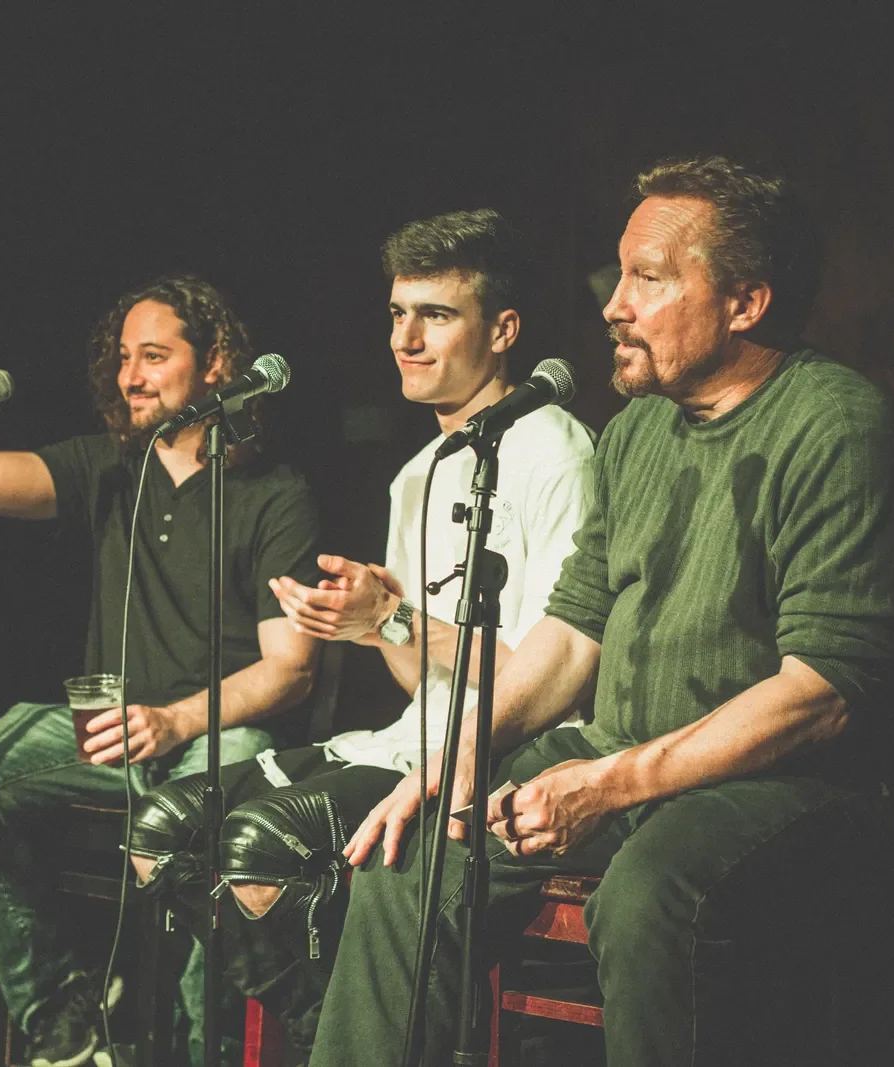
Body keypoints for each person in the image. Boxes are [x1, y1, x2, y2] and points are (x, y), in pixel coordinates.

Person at [311, 157, 894, 1067]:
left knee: (650, 892)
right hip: (629, 752)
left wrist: (611, 783)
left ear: (746, 302)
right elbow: (570, 633)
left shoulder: (837, 424)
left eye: (649, 278)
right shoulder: (637, 431)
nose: (614, 304)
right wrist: (456, 757)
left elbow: (822, 694)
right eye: (620, 275)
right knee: (413, 856)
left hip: (787, 783)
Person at [0, 275, 324, 1067]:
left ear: (215, 361)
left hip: (210, 741)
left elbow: (290, 668)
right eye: (124, 358)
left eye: (154, 355)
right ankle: (65, 1009)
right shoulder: (109, 467)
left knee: (229, 772)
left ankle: (197, 1050)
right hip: (110, 735)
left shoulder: (273, 493)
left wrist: (179, 719)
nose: (131, 375)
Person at [125, 210, 595, 1064]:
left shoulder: (554, 449)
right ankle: (327, 1029)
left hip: (508, 756)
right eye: (395, 314)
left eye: (435, 315)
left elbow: (552, 671)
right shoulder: (414, 475)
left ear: (503, 331)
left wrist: (394, 619)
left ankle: (337, 1041)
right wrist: (369, 622)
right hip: (406, 739)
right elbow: (425, 680)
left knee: (257, 848)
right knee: (161, 832)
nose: (405, 339)